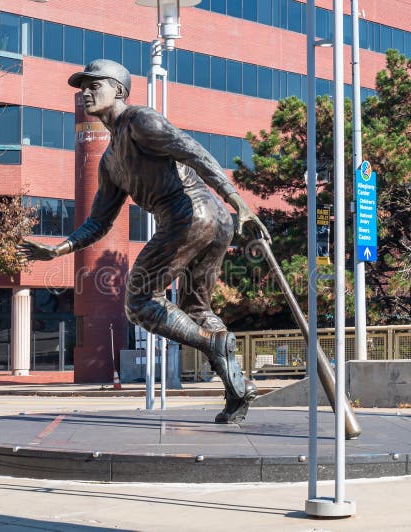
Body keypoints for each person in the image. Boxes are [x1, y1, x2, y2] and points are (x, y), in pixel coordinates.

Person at [19, 59, 270, 423]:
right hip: (213, 221)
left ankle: (213, 344)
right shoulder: (111, 161)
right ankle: (237, 392)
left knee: (138, 301)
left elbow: (193, 152)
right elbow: (98, 222)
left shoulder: (140, 120)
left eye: (94, 85)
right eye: (81, 87)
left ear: (118, 90)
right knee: (198, 311)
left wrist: (239, 201)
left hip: (192, 215)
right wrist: (58, 249)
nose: (85, 93)